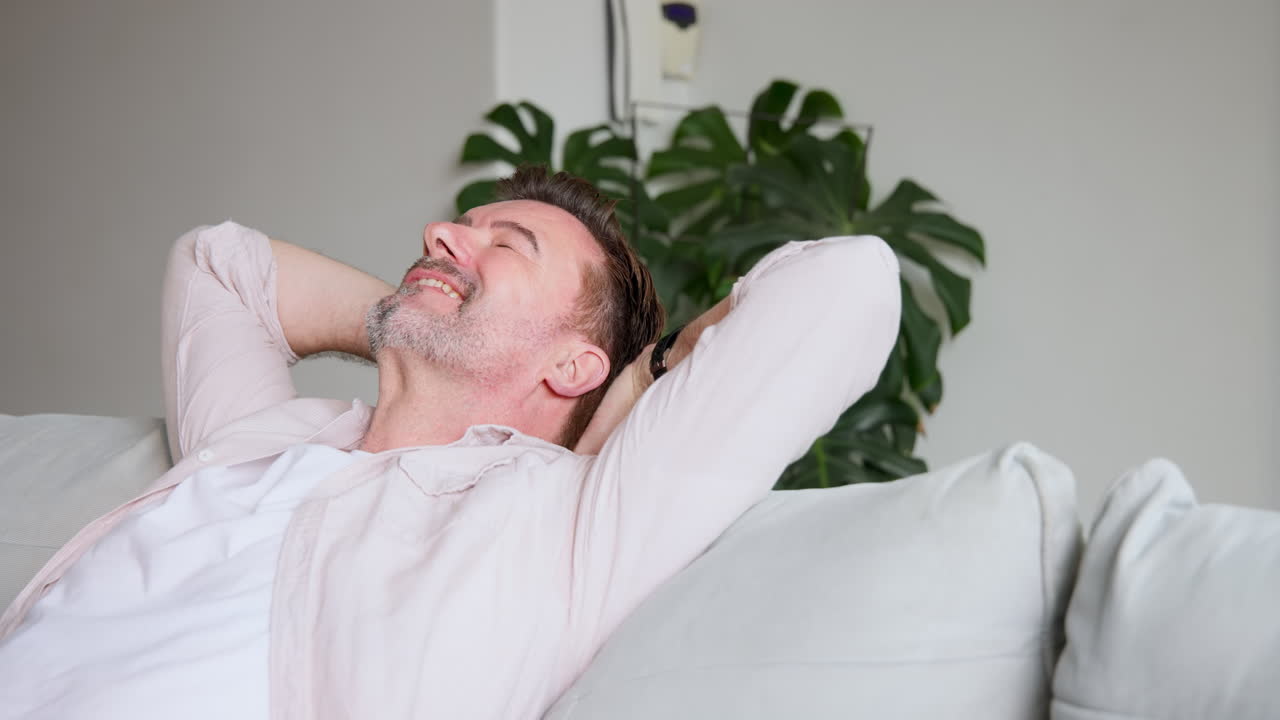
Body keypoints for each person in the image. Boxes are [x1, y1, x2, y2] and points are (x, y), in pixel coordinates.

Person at [0, 166, 901, 719]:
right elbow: (218, 263)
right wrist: (419, 317)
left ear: (577, 365)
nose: (443, 234)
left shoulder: (565, 520)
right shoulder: (260, 442)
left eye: (506, 243)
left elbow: (849, 286)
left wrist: (630, 384)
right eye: (455, 229)